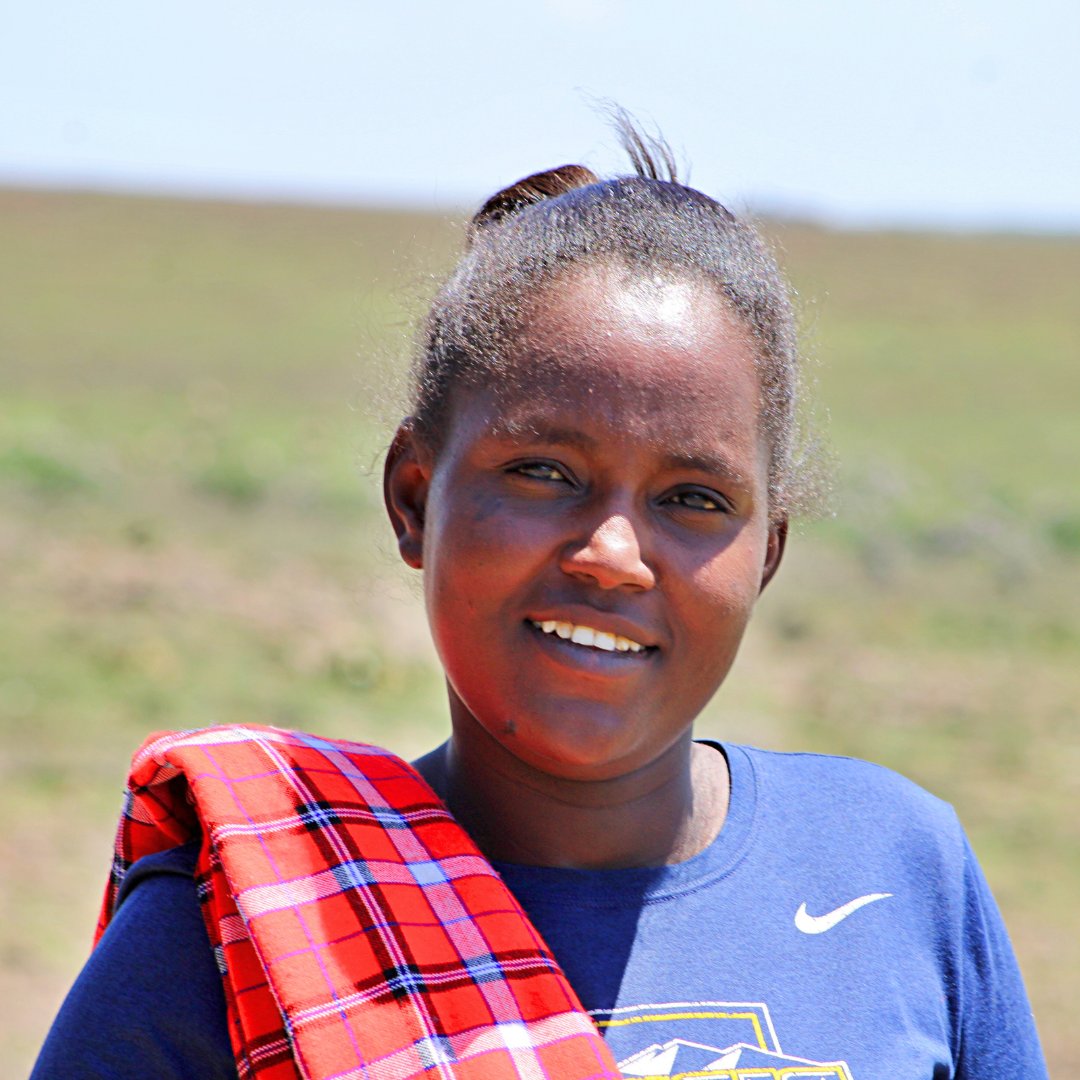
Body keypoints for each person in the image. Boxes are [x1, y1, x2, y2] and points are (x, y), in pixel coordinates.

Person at [33, 125, 1047, 1080]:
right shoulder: (245, 924)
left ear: (766, 553)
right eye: (544, 473)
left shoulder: (894, 867)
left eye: (694, 500)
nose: (613, 554)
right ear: (414, 499)